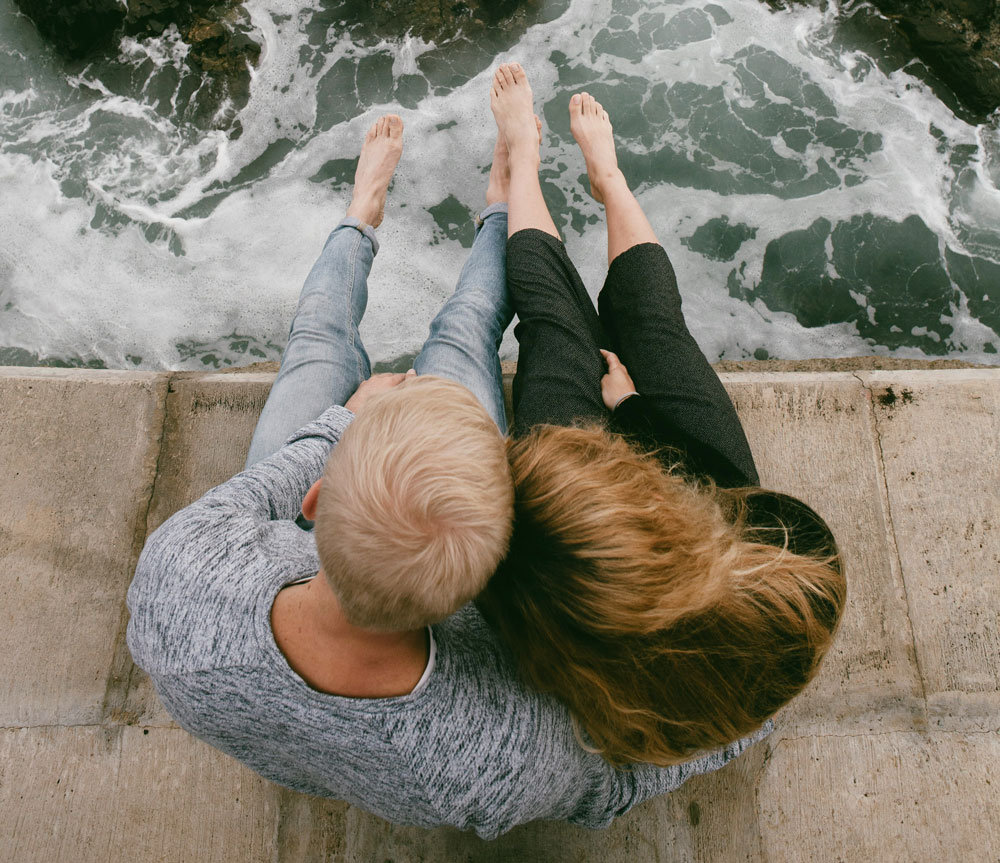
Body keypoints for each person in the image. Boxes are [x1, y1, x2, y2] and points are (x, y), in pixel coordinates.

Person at [127, 93, 770, 841]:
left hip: (299, 553)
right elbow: (616, 781)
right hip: (381, 555)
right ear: (487, 584)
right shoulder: (498, 748)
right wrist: (746, 716)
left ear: (316, 495)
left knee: (316, 344)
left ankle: (365, 213)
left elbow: (245, 499)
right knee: (463, 337)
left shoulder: (180, 578)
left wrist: (346, 421)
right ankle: (498, 205)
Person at [477, 64, 847, 767]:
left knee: (556, 328)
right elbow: (714, 487)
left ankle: (523, 159)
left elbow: (509, 595)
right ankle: (608, 180)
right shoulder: (791, 571)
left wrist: (606, 419)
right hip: (720, 499)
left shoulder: (553, 588)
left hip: (599, 557)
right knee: (654, 323)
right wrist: (634, 409)